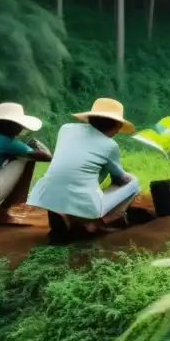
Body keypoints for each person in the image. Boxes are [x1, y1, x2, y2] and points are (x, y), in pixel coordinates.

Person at [29, 98, 141, 241]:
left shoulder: (66, 129)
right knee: (134, 183)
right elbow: (121, 177)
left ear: (90, 118)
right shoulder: (110, 145)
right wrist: (123, 176)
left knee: (89, 169)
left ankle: (65, 214)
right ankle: (95, 223)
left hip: (46, 193)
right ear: (117, 125)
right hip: (84, 199)